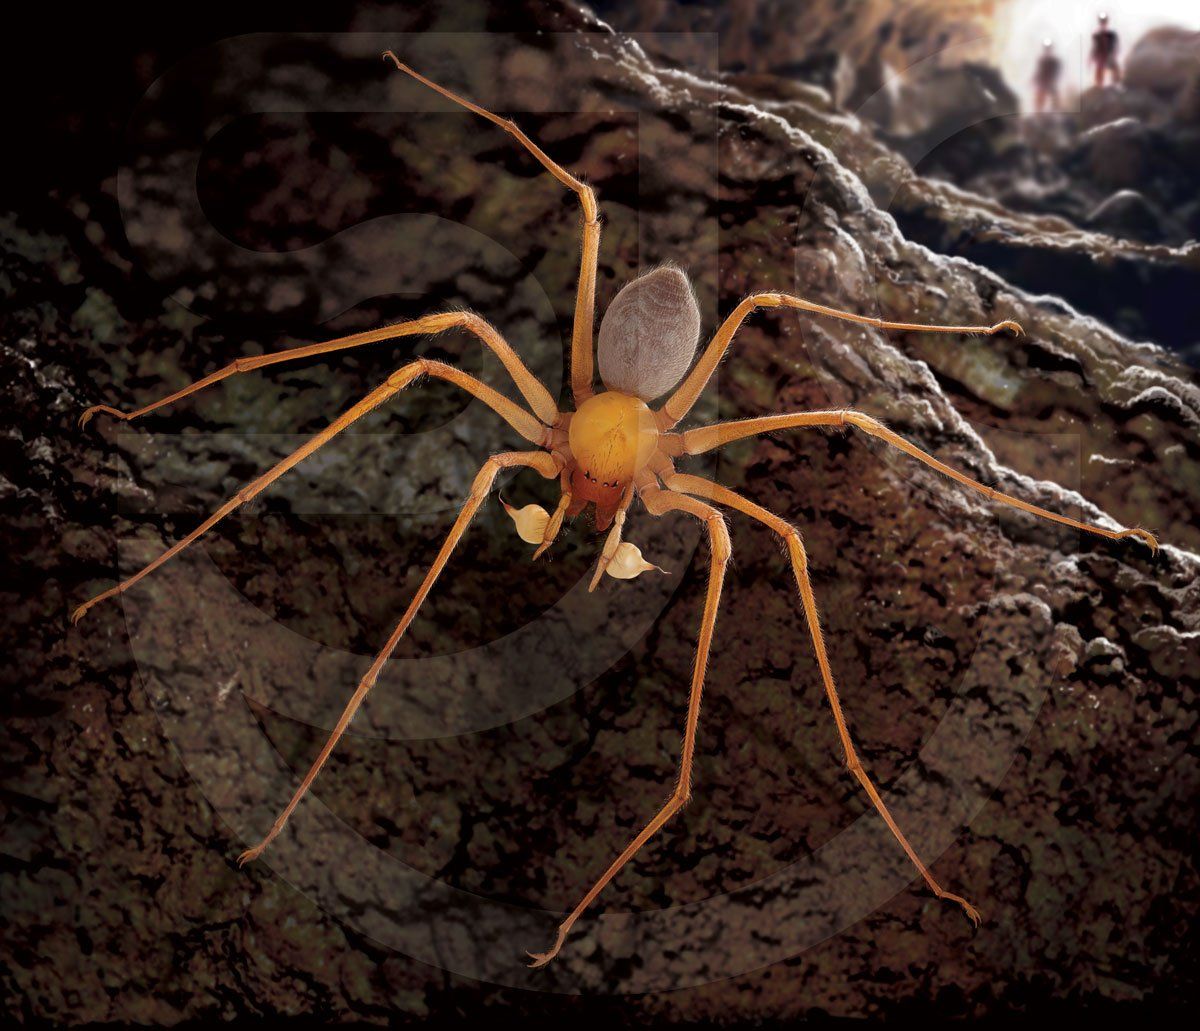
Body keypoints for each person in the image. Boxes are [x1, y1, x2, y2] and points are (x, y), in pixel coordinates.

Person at [1090, 12, 1122, 88]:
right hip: (1101, 57)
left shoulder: (1112, 35)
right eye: (1102, 22)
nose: (1103, 23)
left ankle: (1116, 85)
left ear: (1107, 22)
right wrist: (1092, 58)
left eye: (1104, 21)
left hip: (1109, 56)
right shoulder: (1096, 36)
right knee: (1099, 71)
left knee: (1116, 69)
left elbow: (1115, 47)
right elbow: (1095, 48)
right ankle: (1099, 86)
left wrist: (1113, 54)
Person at [1033, 38, 1063, 112]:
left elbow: (1057, 72)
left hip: (1051, 83)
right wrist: (1035, 79)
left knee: (1055, 99)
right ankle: (1039, 112)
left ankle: (1056, 112)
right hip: (1043, 83)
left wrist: (1052, 81)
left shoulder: (1055, 61)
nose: (1047, 50)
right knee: (1039, 100)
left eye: (1049, 48)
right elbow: (1039, 72)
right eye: (1046, 48)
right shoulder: (1042, 60)